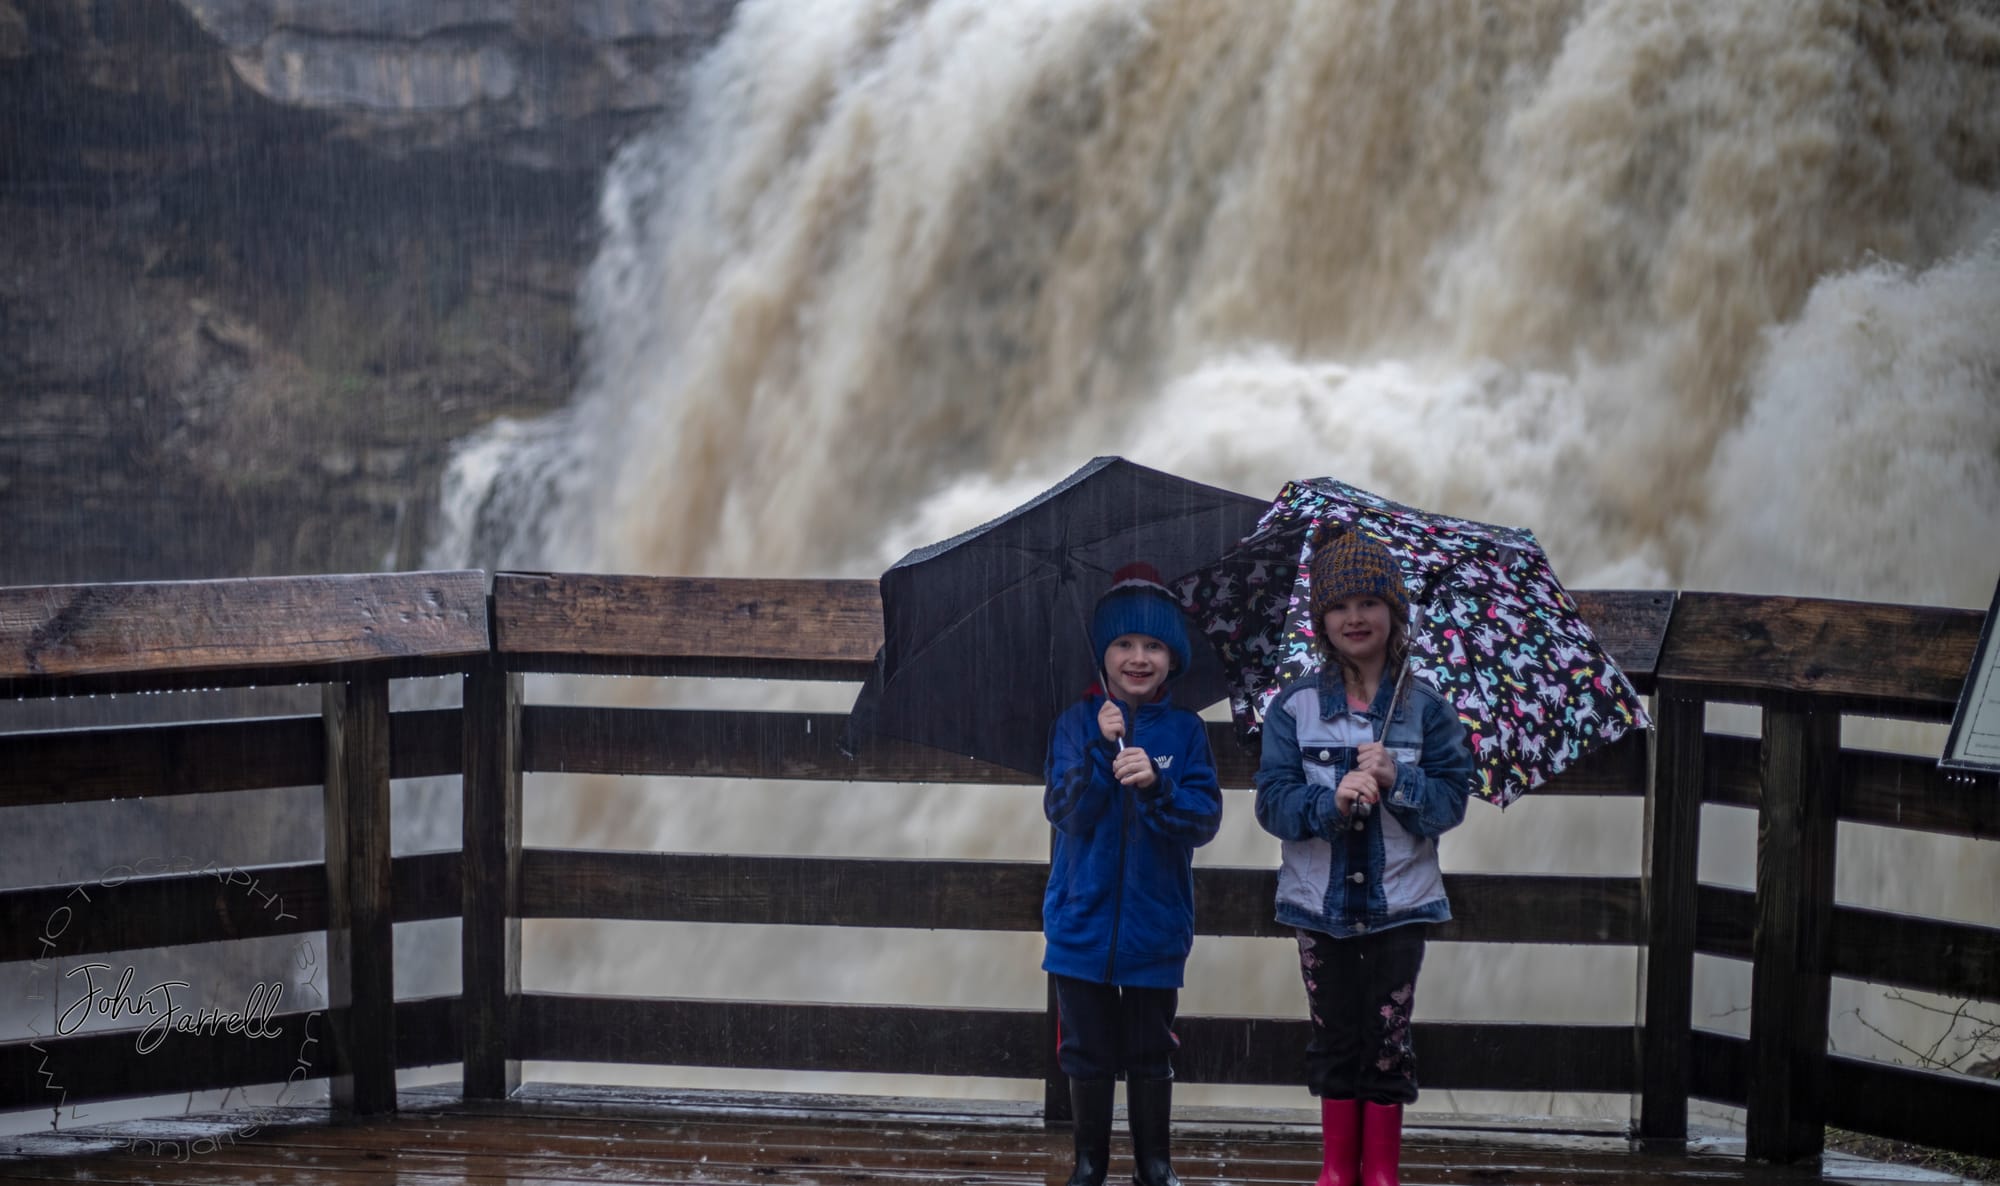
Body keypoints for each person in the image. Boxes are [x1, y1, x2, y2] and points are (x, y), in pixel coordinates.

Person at [1252, 525, 1473, 1186]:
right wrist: (1328, 803)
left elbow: (1451, 803)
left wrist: (1396, 781)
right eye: (1340, 605)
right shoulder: (1293, 707)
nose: (1355, 617)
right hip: (1318, 906)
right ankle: (1334, 1171)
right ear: (1321, 618)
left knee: (1386, 1040)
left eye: (1370, 602)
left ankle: (1380, 1173)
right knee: (1335, 1037)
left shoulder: (1427, 709)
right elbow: (1272, 803)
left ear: (1394, 613)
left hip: (1399, 906)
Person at [1043, 563, 1223, 1186]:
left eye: (1154, 645)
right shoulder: (1074, 724)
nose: (1138, 657)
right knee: (1085, 1050)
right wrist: (1099, 749)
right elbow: (1065, 812)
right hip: (1081, 925)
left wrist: (1157, 783)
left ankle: (1155, 1164)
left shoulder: (1187, 731)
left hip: (1155, 926)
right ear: (1103, 654)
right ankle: (1089, 1163)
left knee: (1151, 1050)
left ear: (1173, 659)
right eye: (1123, 644)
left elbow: (1202, 820)